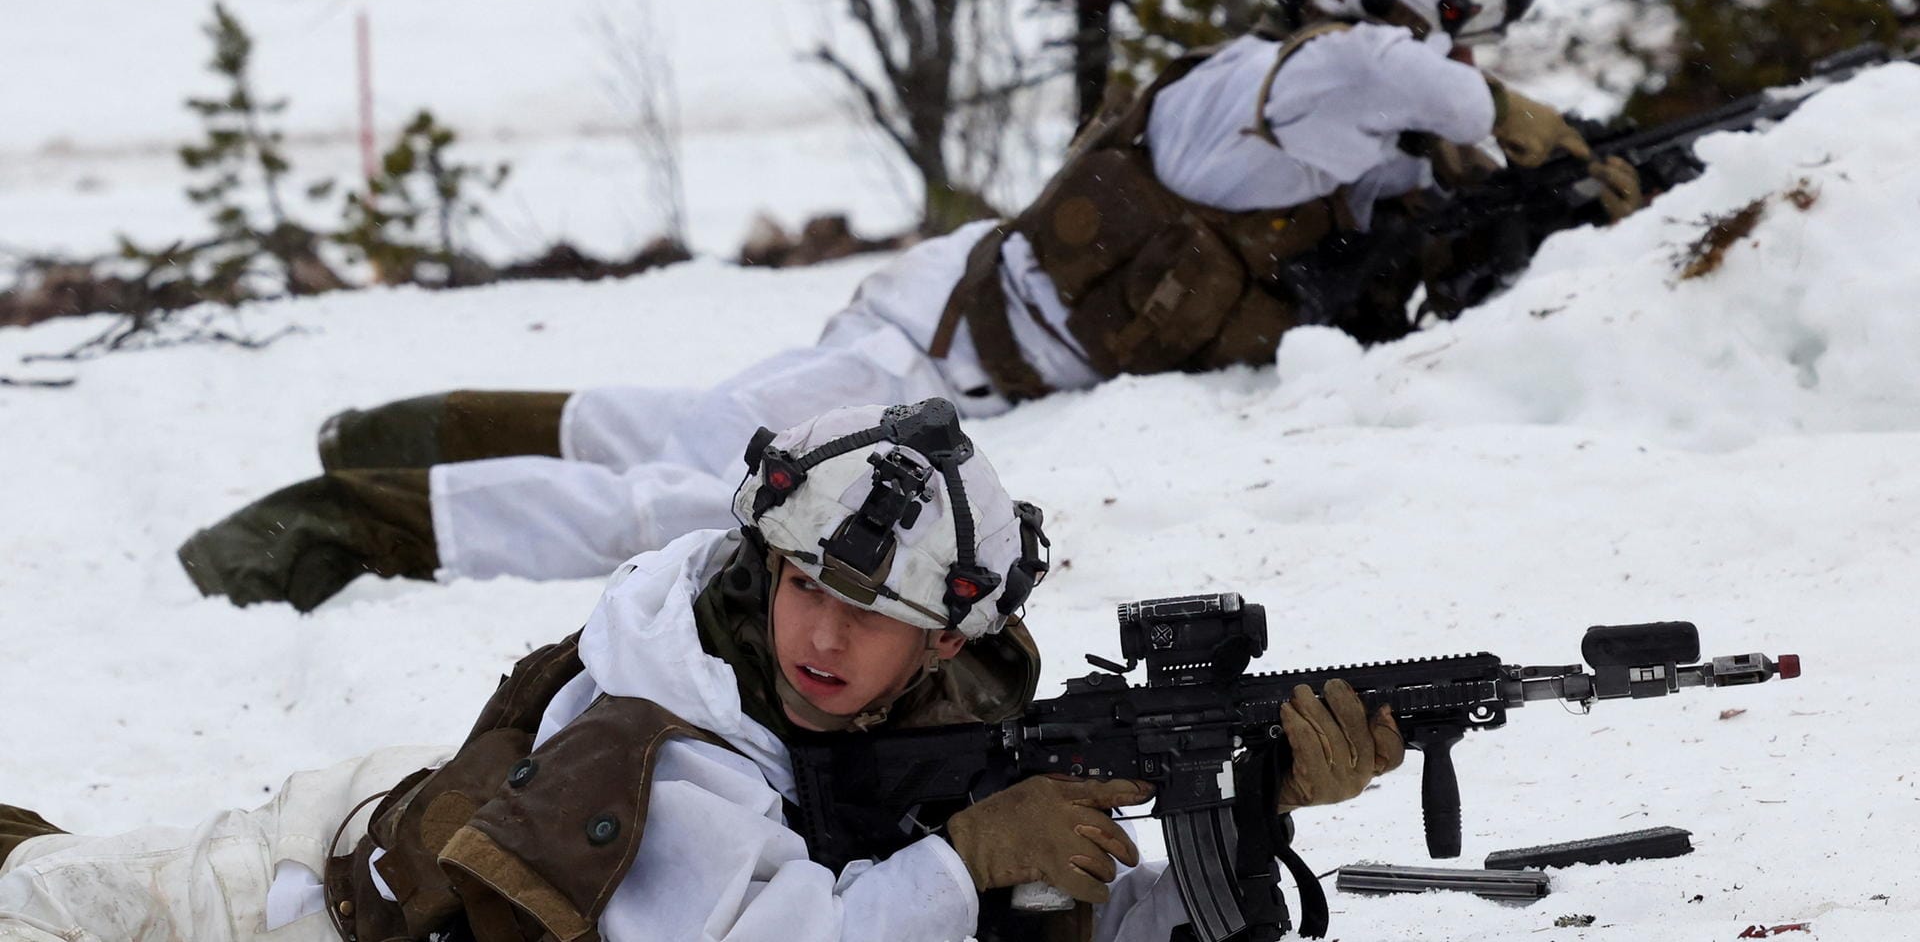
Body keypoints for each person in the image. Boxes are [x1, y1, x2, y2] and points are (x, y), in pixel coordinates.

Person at [178, 0, 1644, 609]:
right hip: (931, 350)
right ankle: (340, 528)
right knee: (702, 501)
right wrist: (1539, 133)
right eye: (1458, 26)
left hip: (948, 336)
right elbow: (1423, 96)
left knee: (674, 432)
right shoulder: (1293, 85)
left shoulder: (1321, 125)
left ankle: (394, 438)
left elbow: (1410, 178)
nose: (1462, 59)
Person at [3, 400, 1405, 942]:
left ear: (948, 640)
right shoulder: (670, 711)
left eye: (875, 619)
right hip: (303, 899)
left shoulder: (952, 715)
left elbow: (1045, 898)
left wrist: (1245, 808)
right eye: (807, 585)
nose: (824, 638)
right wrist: (966, 858)